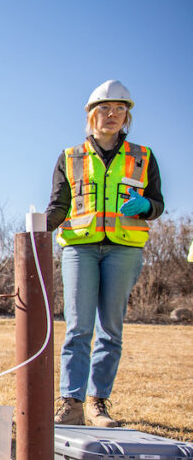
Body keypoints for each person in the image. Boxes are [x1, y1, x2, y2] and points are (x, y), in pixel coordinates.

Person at [45, 80, 164, 427]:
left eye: (120, 109)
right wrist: (37, 230)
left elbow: (157, 204)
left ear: (127, 116)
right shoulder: (70, 157)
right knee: (78, 328)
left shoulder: (143, 157)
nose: (112, 115)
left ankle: (98, 403)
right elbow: (59, 205)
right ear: (90, 114)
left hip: (123, 249)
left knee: (110, 329)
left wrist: (146, 206)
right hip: (80, 246)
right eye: (104, 109)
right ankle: (71, 403)